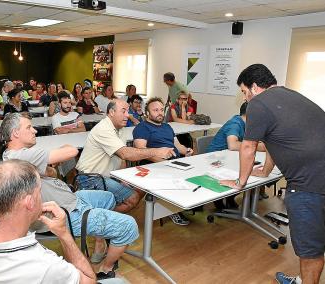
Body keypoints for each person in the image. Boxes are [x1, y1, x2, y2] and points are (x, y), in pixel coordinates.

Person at [219, 64, 325, 284]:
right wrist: (265, 171)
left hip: (309, 184)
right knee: (315, 242)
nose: (245, 97)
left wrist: (240, 182)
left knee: (310, 251)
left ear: (255, 87)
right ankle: (301, 280)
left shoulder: (258, 104)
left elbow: (248, 147)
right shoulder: (291, 95)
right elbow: (275, 141)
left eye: (244, 91)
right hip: (319, 176)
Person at [0, 113, 139, 279]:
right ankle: (106, 269)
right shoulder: (22, 156)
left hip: (71, 199)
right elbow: (72, 150)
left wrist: (49, 167)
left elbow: (51, 172)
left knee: (108, 198)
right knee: (129, 225)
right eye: (29, 127)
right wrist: (63, 147)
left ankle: (99, 241)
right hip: (66, 213)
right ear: (15, 133)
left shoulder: (12, 156)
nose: (34, 130)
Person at [76, 99, 176, 213]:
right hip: (91, 178)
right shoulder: (103, 129)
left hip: (106, 176)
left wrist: (121, 179)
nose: (127, 115)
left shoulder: (120, 128)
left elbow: (122, 158)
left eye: (128, 111)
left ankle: (98, 212)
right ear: (112, 112)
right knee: (132, 198)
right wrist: (157, 151)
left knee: (140, 188)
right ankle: (94, 214)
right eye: (123, 111)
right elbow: (125, 153)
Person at [133, 97, 194, 225]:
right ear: (147, 113)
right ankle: (173, 210)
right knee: (174, 180)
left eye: (161, 109)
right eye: (155, 110)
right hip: (154, 165)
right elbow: (141, 151)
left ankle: (180, 205)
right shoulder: (142, 127)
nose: (160, 113)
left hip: (173, 163)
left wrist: (187, 150)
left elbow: (177, 146)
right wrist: (164, 163)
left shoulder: (167, 127)